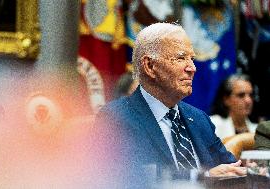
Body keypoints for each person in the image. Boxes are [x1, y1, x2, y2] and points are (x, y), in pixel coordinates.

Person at [93, 23, 245, 188]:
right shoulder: (116, 117)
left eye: (191, 59)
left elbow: (231, 170)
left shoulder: (199, 118)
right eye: (181, 58)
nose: (192, 68)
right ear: (150, 66)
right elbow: (131, 177)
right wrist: (204, 177)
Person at [210, 74, 257, 139]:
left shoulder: (258, 130)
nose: (248, 101)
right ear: (226, 99)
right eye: (241, 95)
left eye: (251, 95)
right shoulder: (212, 125)